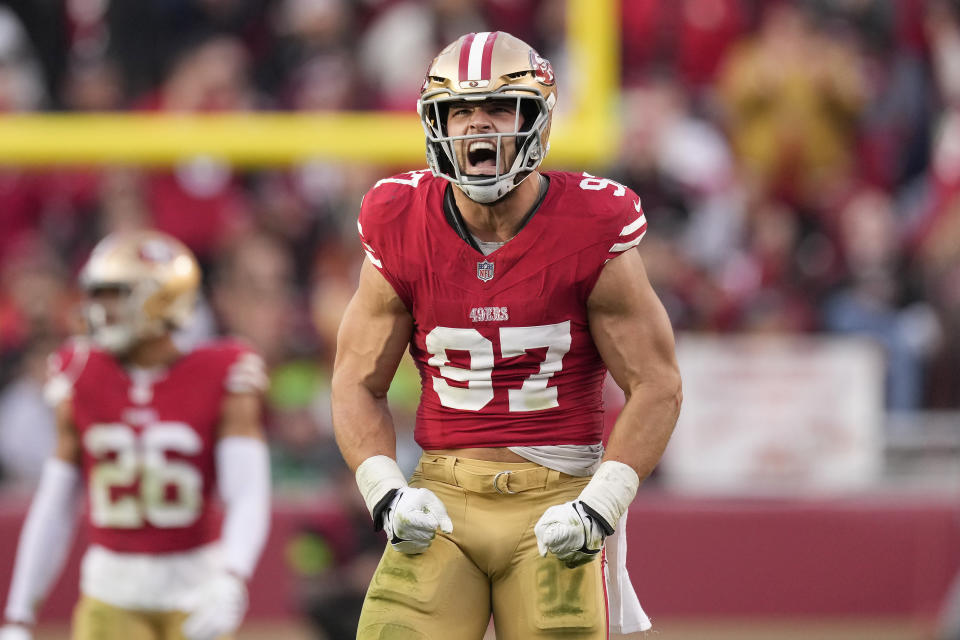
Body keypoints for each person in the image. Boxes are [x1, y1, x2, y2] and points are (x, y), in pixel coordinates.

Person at [331, 31, 682, 639]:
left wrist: (601, 502)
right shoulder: (399, 218)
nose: (478, 127)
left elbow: (657, 384)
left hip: (559, 499)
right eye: (460, 111)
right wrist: (386, 491)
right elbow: (356, 382)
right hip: (443, 491)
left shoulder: (592, 223)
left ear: (538, 120)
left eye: (499, 108)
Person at [0, 230, 271, 640]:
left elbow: (247, 492)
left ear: (162, 299)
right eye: (97, 294)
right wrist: (18, 616)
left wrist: (232, 574)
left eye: (114, 294)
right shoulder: (80, 371)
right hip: (110, 593)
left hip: (196, 586)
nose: (99, 309)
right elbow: (55, 504)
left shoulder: (224, 370)